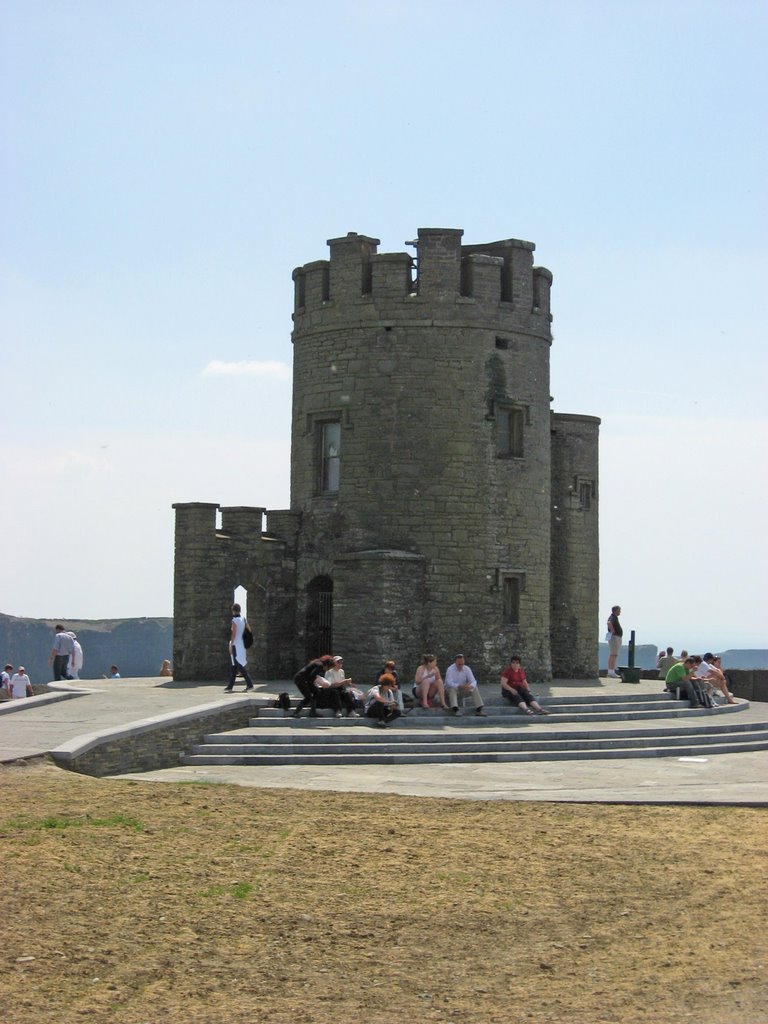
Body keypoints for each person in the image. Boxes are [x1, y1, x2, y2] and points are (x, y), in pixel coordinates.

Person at [224, 603, 254, 693]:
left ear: (233, 610)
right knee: (234, 666)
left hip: (235, 644)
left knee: (238, 665)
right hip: (241, 644)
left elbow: (233, 634)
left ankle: (250, 684)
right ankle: (230, 686)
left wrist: (231, 645)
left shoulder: (234, 620)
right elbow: (249, 629)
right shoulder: (243, 619)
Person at [606, 605, 623, 679]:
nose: (620, 612)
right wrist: (613, 631)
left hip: (616, 637)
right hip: (614, 637)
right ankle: (611, 672)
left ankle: (612, 671)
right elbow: (609, 623)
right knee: (613, 654)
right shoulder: (612, 617)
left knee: (614, 654)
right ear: (615, 611)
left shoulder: (615, 617)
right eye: (619, 610)